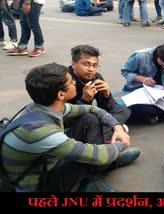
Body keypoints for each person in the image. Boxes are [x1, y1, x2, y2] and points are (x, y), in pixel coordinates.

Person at [1, 63, 140, 192]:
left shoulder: (42, 107)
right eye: (71, 81)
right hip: (37, 185)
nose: (74, 82)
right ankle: (92, 183)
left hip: (43, 161)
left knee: (89, 119)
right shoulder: (38, 130)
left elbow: (92, 109)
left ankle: (109, 162)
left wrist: (118, 128)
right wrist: (121, 144)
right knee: (91, 158)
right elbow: (99, 155)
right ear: (61, 94)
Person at [68, 45, 131, 141]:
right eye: (86, 64)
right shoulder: (65, 80)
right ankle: (109, 134)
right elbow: (65, 116)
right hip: (71, 124)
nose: (91, 69)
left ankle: (104, 134)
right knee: (90, 118)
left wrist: (106, 95)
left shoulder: (96, 77)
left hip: (91, 117)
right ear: (73, 63)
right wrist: (84, 100)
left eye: (94, 65)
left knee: (123, 110)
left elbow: (108, 108)